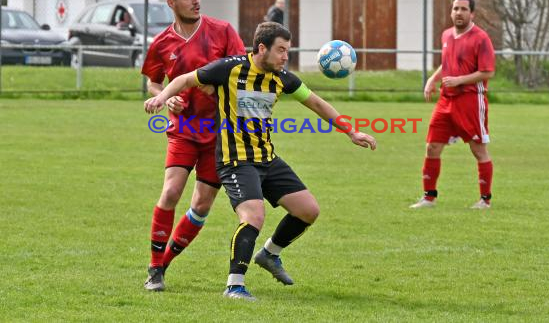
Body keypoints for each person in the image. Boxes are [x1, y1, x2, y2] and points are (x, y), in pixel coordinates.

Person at [144, 22, 377, 301]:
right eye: (280, 50)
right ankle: (234, 285)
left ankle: (269, 254)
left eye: (287, 51)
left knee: (308, 210)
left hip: (266, 158)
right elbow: (184, 79)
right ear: (262, 48)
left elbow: (316, 103)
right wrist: (162, 96)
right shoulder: (228, 69)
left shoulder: (282, 78)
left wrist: (350, 131)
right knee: (253, 216)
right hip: (235, 161)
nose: (284, 57)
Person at [141, 0, 246, 291]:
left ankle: (163, 264)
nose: (196, 0)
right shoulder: (161, 43)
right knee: (171, 192)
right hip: (184, 128)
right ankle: (155, 268)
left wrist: (221, 89)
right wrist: (165, 95)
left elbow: (242, 72)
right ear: (171, 3)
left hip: (219, 133)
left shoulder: (223, 31)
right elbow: (153, 81)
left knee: (201, 204)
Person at [410, 0, 495, 210]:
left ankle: (485, 200)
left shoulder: (481, 38)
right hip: (445, 101)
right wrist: (432, 79)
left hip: (470, 101)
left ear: (472, 13)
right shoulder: (447, 35)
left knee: (478, 149)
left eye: (464, 9)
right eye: (456, 8)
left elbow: (487, 72)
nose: (459, 13)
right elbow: (446, 64)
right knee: (432, 147)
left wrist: (459, 79)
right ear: (451, 11)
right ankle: (429, 197)